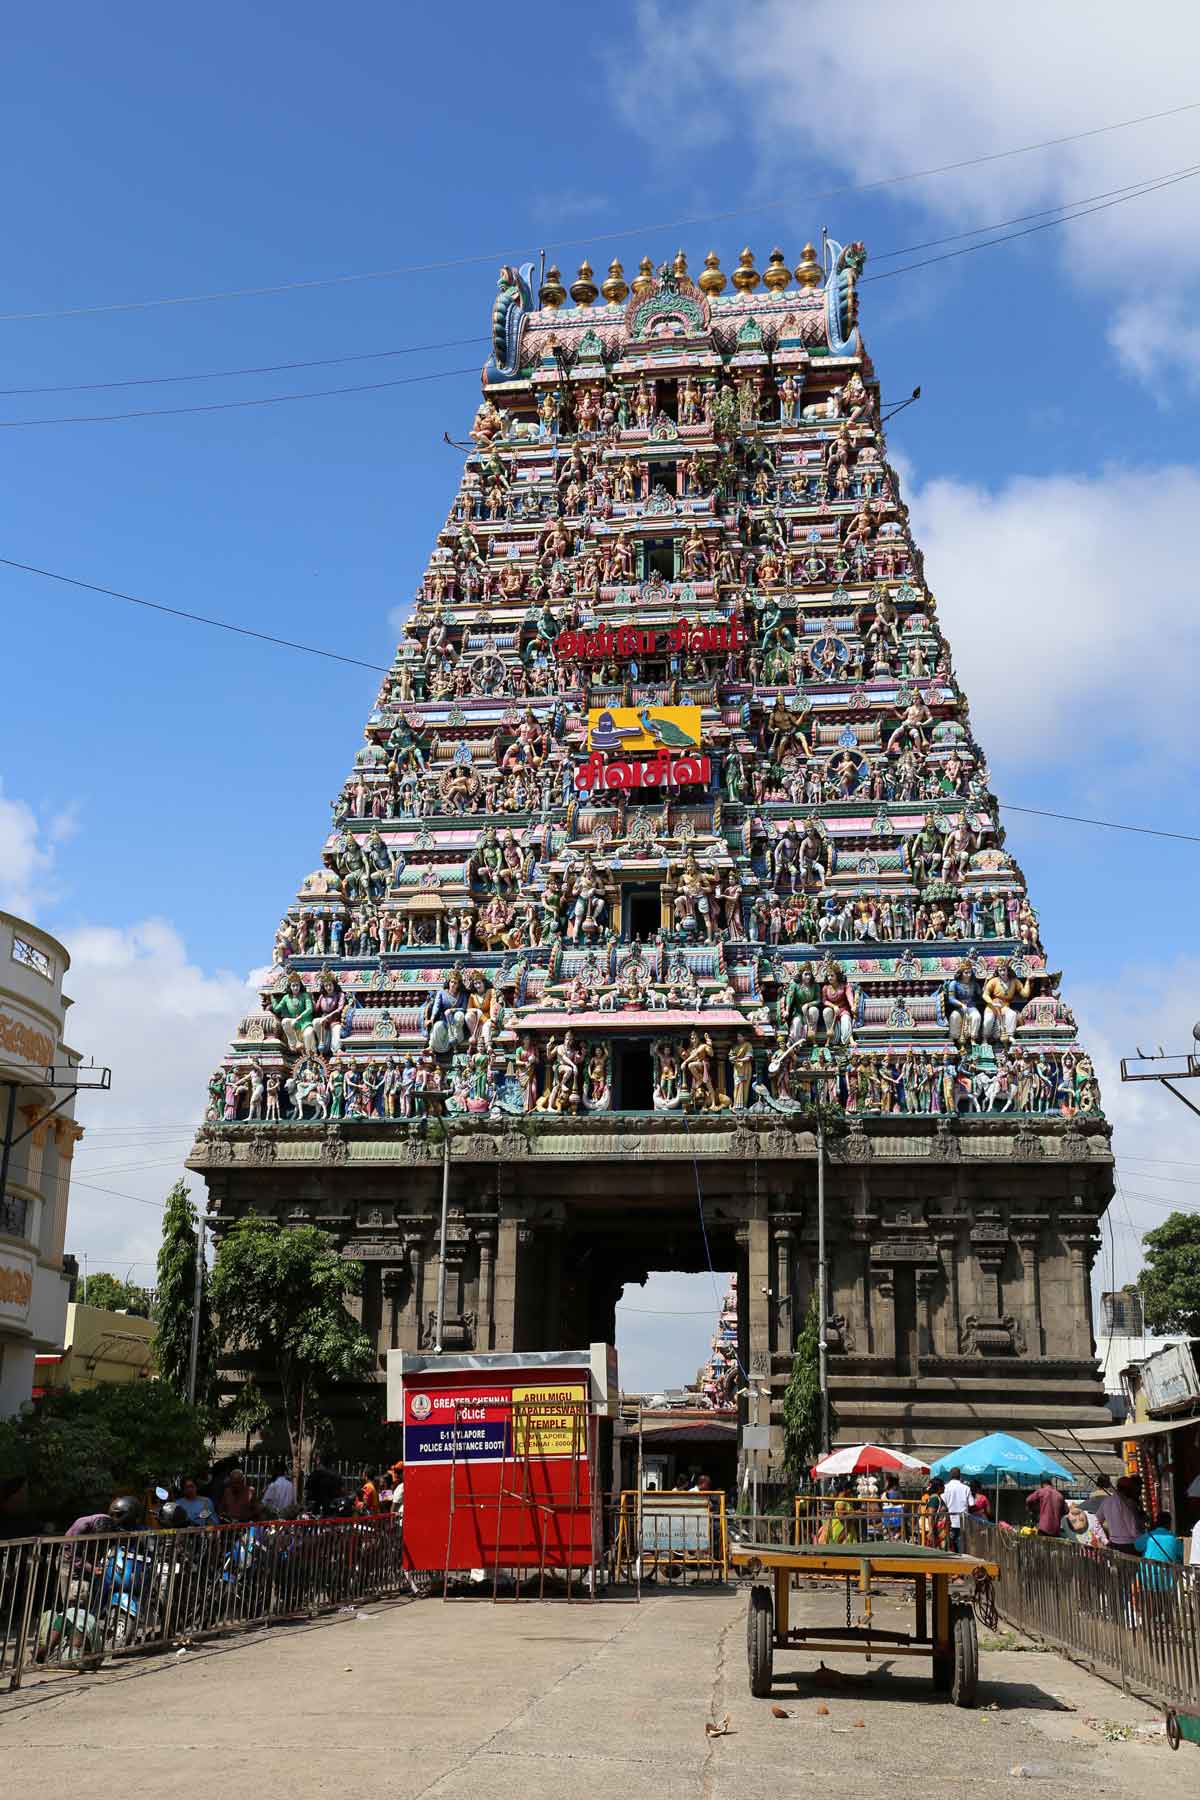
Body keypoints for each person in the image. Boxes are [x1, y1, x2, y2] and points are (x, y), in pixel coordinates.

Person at [1094, 1476, 1143, 1556]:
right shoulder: (1128, 1503)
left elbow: (1096, 1520)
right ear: (1127, 1489)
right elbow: (1133, 1528)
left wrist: (1105, 1540)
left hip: (1113, 1543)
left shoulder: (1106, 1501)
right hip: (1129, 1545)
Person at [941, 1467, 972, 1551]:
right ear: (960, 1476)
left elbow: (942, 1506)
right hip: (963, 1522)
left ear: (950, 1476)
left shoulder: (944, 1488)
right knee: (962, 1549)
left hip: (948, 1522)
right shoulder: (966, 1488)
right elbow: (972, 1504)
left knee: (948, 1547)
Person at [918, 1478, 951, 1550]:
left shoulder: (937, 1498)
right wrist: (931, 1531)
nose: (944, 1487)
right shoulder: (934, 1499)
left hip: (940, 1532)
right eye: (943, 1485)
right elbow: (931, 1516)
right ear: (938, 1487)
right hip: (937, 1533)